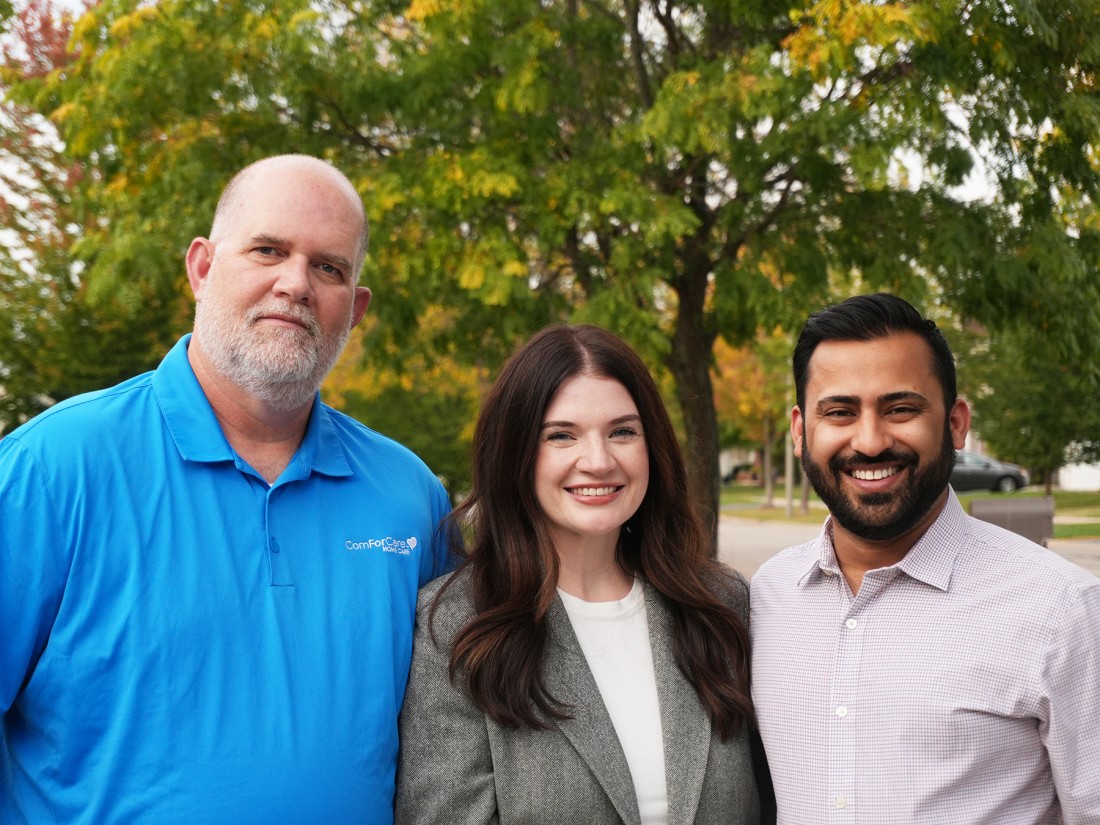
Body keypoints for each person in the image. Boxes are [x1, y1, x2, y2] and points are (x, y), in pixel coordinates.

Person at [0, 155, 453, 823]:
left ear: (354, 307)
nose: (295, 283)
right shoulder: (51, 469)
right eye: (268, 249)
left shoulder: (410, 498)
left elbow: (453, 744)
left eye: (328, 267)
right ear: (203, 267)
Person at [395, 324, 772, 825]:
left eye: (622, 431)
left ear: (651, 446)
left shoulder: (722, 605)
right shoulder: (456, 626)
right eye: (561, 435)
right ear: (516, 455)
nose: (597, 461)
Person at [751, 293, 1100, 823]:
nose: (869, 442)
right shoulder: (768, 595)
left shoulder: (1064, 609)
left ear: (956, 423)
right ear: (801, 431)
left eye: (900, 409)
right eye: (840, 412)